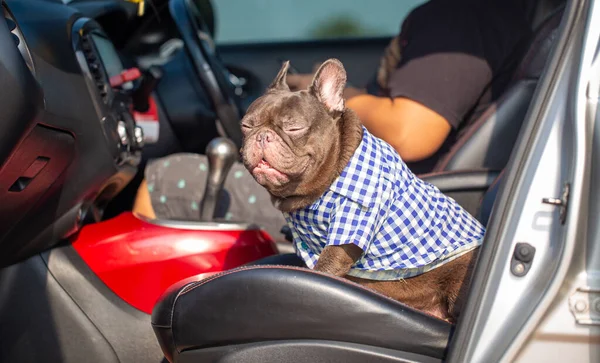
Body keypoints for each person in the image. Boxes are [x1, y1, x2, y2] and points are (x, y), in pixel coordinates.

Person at [133, 0, 535, 241]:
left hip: (372, 202)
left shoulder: (462, 18)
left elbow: (410, 132)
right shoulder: (481, 14)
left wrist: (342, 99)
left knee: (167, 180)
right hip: (386, 189)